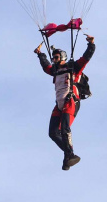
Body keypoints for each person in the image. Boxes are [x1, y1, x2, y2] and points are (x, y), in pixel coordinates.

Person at [34, 35, 95, 170]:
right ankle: (69, 156)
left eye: (56, 57)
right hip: (59, 104)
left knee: (64, 128)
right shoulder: (55, 71)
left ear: (62, 57)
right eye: (53, 58)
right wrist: (40, 54)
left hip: (70, 101)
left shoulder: (73, 68)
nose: (54, 60)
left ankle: (69, 156)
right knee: (53, 133)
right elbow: (46, 66)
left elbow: (86, 58)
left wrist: (91, 44)